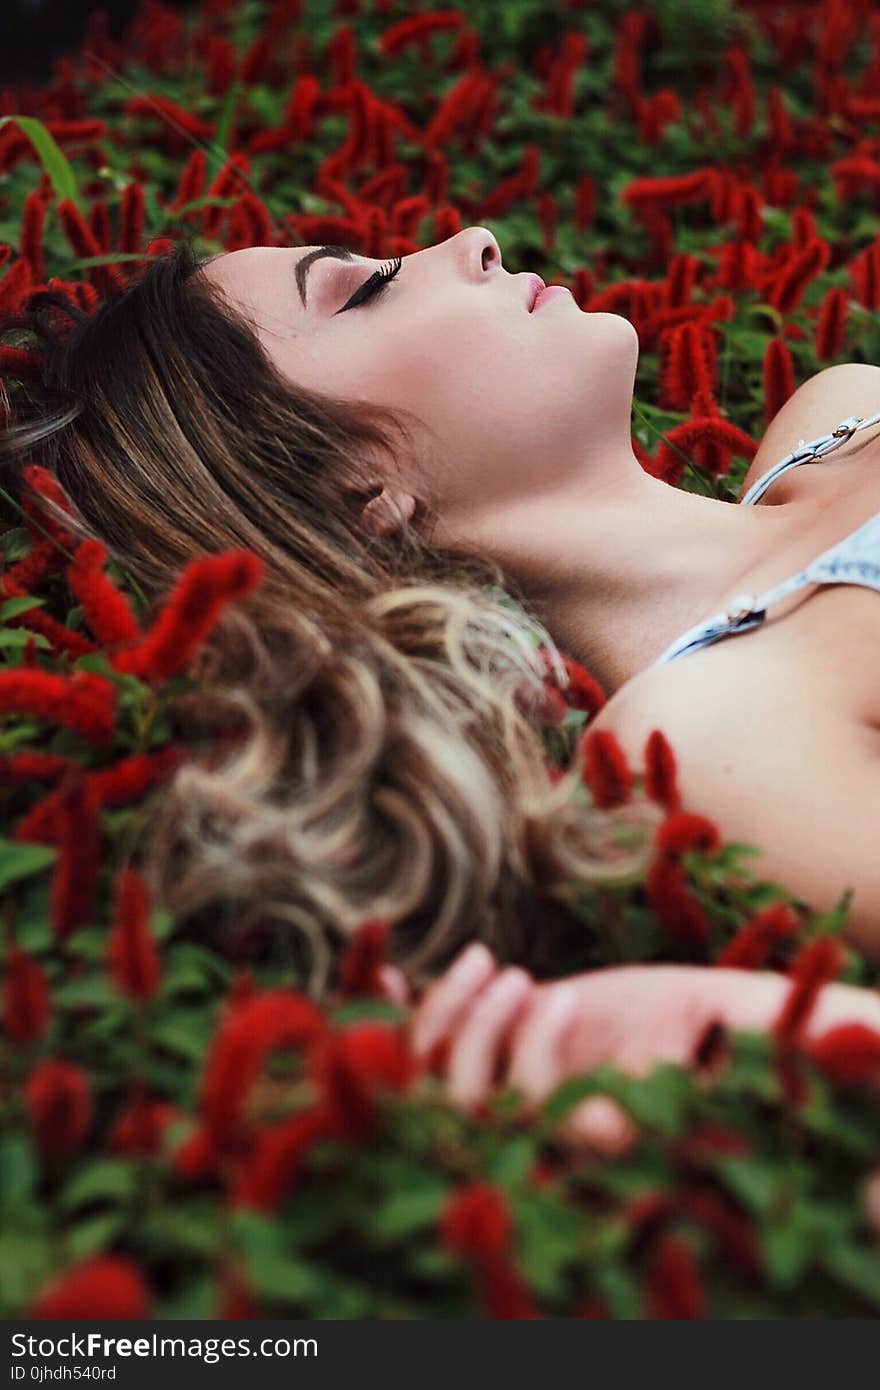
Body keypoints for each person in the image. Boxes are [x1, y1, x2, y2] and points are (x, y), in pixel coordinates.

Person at [3, 227, 880, 1137]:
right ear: (356, 489)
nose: (475, 238)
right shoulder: (703, 745)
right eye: (367, 288)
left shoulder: (839, 412)